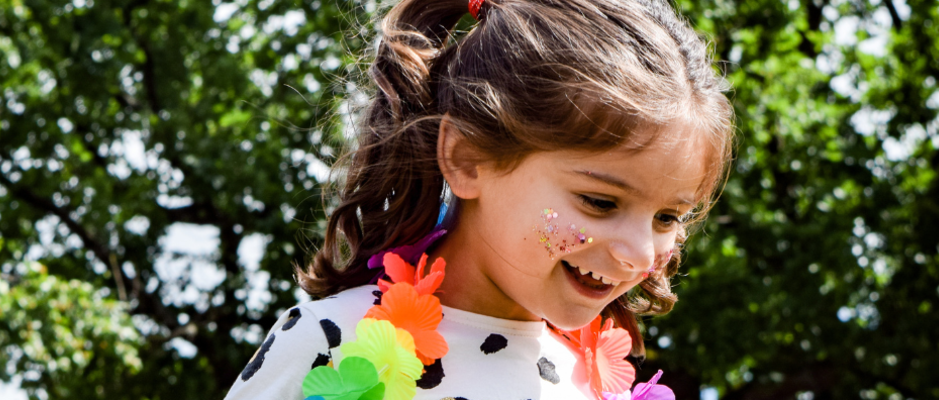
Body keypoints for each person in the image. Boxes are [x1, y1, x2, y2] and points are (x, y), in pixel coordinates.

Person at [222, 0, 732, 396]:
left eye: (668, 217)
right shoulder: (330, 340)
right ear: (467, 160)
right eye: (600, 202)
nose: (641, 254)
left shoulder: (595, 385)